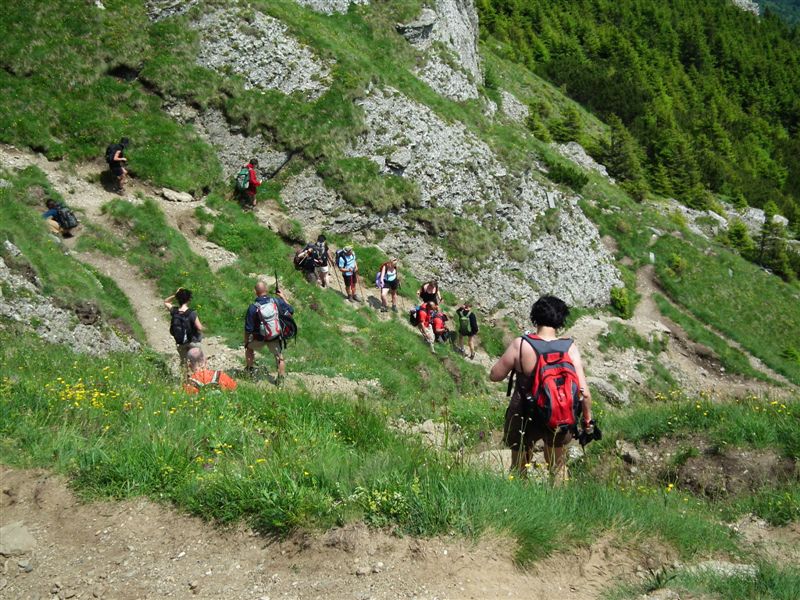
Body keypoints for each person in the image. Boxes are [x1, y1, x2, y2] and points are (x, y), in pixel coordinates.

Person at [489, 295, 593, 485]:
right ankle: (559, 501)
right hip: (558, 413)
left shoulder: (521, 344)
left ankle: (519, 498)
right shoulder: (569, 348)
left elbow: (495, 375)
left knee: (519, 467)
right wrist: (587, 420)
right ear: (561, 319)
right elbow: (584, 392)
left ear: (535, 317)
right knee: (558, 465)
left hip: (524, 412)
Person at [244, 280, 294, 386]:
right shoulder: (276, 301)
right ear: (266, 290)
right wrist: (283, 297)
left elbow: (248, 329)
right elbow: (291, 310)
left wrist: (246, 342)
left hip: (259, 337)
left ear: (255, 292)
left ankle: (249, 371)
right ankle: (280, 380)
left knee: (249, 348)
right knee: (279, 356)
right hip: (274, 336)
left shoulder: (253, 307)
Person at [164, 288, 204, 369]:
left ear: (178, 299)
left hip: (181, 342)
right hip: (193, 342)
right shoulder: (192, 313)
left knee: (184, 364)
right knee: (198, 363)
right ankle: (198, 376)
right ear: (189, 300)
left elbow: (166, 302)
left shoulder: (174, 311)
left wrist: (175, 295)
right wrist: (205, 329)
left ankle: (185, 376)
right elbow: (199, 327)